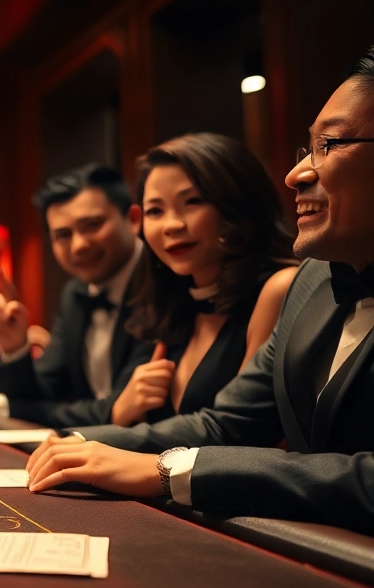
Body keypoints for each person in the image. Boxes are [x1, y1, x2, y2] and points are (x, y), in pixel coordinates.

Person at [26, 46, 374, 535]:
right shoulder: (312, 281)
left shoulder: (281, 284)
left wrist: (170, 469)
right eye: (309, 149)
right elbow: (225, 423)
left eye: (329, 145)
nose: (296, 174)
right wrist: (80, 440)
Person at [0, 164, 156, 427]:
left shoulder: (163, 285)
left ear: (133, 220)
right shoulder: (75, 293)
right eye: (63, 235)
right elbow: (44, 392)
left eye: (92, 225)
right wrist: (14, 347)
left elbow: (121, 407)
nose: (78, 245)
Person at [109, 133, 296, 426]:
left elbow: (240, 431)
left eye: (192, 202)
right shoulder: (176, 303)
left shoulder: (279, 288)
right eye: (155, 211)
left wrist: (113, 428)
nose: (172, 225)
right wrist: (121, 413)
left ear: (237, 204)